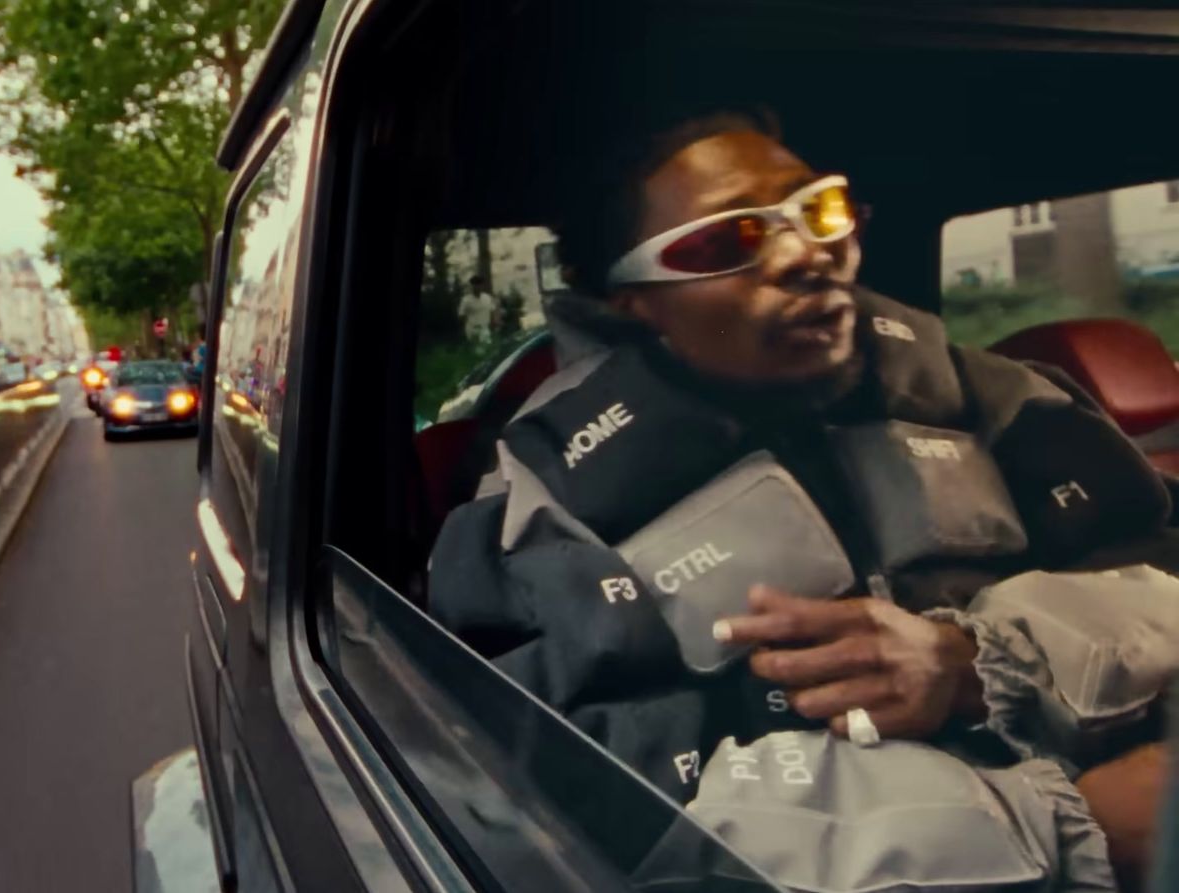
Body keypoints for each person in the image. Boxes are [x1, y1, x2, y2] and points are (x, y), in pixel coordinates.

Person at [428, 108, 1179, 891]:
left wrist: (981, 660)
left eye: (816, 209)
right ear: (629, 300)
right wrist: (1073, 825)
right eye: (725, 241)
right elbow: (601, 812)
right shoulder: (543, 496)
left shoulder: (1001, 398)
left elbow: (1163, 574)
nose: (803, 254)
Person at [458, 274, 498, 346]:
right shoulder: (466, 300)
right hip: (473, 330)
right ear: (472, 286)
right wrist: (469, 325)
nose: (477, 287)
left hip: (485, 329)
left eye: (479, 284)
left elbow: (492, 310)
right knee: (478, 351)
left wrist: (494, 322)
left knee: (487, 349)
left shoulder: (487, 297)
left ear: (482, 285)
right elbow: (461, 315)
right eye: (475, 285)